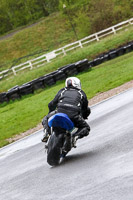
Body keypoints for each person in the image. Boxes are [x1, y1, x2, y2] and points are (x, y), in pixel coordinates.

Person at [42, 77, 91, 143]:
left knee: (45, 119)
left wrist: (50, 113)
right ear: (78, 84)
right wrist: (82, 117)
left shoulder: (62, 91)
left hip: (59, 112)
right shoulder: (81, 93)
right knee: (86, 128)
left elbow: (51, 104)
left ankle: (47, 133)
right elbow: (85, 109)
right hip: (73, 115)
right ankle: (75, 136)